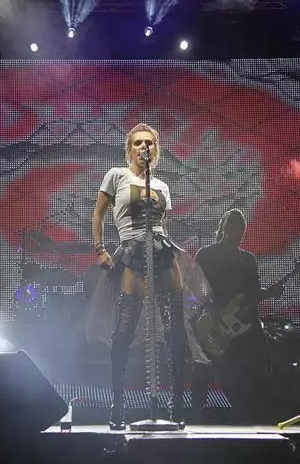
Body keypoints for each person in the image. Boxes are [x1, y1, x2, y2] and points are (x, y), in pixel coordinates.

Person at [91, 123, 190, 430]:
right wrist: (100, 249)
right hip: (132, 253)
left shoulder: (161, 185)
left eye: (149, 142)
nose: (144, 147)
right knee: (124, 333)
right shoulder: (116, 175)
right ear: (129, 149)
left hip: (161, 252)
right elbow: (98, 214)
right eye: (138, 143)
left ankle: (176, 405)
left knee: (175, 334)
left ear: (155, 149)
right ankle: (118, 406)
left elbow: (162, 224)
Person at [193, 209, 282, 424]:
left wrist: (270, 293)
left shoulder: (247, 260)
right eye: (233, 233)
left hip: (239, 325)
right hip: (211, 321)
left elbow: (253, 292)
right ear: (224, 230)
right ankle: (196, 415)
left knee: (257, 358)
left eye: (240, 234)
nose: (237, 238)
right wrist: (212, 308)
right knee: (204, 367)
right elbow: (195, 286)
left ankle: (256, 414)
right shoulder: (205, 255)